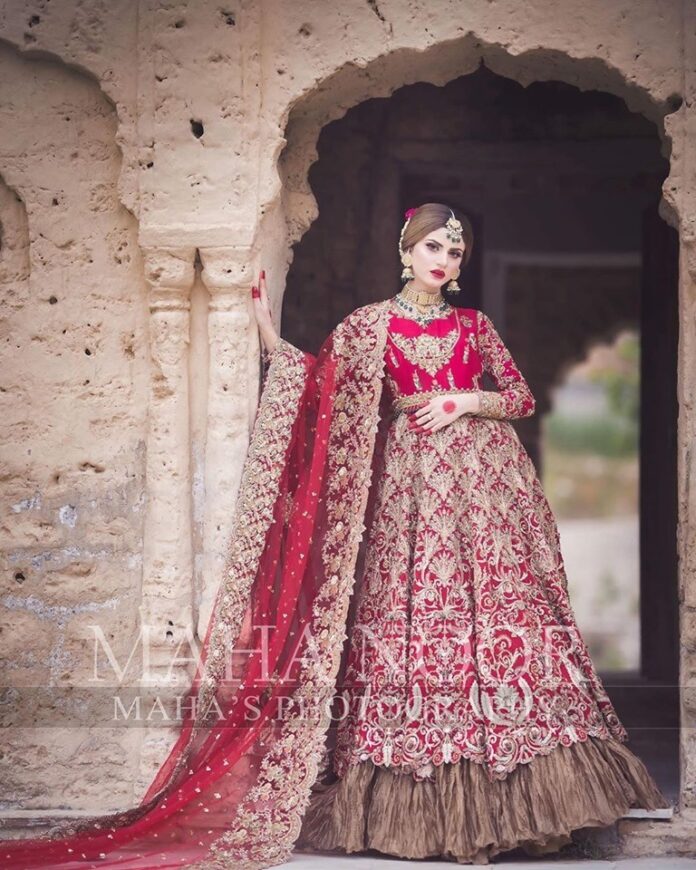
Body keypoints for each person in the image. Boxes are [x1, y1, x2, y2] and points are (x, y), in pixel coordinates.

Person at [1, 203, 668, 869]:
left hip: (486, 491)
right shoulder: (369, 326)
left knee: (496, 616)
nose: (443, 260)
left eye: (454, 253)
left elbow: (519, 397)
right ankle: (418, 803)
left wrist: (465, 400)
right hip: (407, 490)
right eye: (432, 247)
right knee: (413, 621)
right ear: (405, 253)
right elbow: (324, 390)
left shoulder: (474, 325)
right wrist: (270, 339)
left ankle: (527, 794)